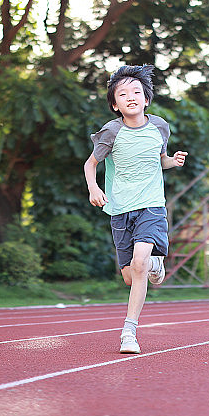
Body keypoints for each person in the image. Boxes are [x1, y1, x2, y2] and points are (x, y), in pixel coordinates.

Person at [83, 64, 187, 354]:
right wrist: (94, 188)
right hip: (119, 209)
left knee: (139, 264)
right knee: (130, 275)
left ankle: (129, 331)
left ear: (146, 99)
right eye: (123, 93)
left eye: (137, 92)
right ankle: (155, 263)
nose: (131, 97)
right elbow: (91, 164)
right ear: (115, 104)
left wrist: (172, 161)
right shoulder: (111, 132)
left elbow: (160, 159)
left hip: (151, 206)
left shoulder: (160, 127)